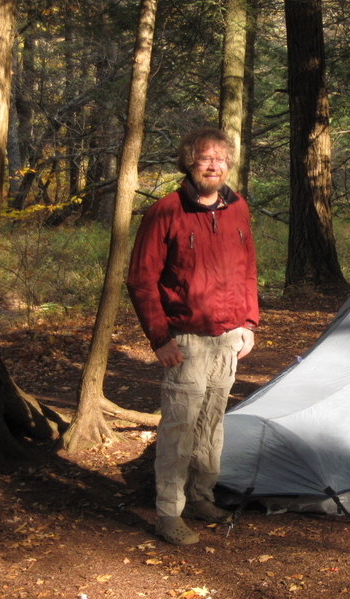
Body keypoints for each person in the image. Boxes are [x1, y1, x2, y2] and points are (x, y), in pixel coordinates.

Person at [126, 127, 259, 546]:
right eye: (205, 158)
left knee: (211, 425)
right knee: (179, 429)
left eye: (221, 158)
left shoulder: (238, 209)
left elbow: (248, 269)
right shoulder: (165, 211)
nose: (214, 165)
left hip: (227, 340)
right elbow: (141, 279)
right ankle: (169, 512)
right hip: (185, 341)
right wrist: (160, 337)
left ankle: (201, 496)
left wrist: (249, 322)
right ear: (189, 162)